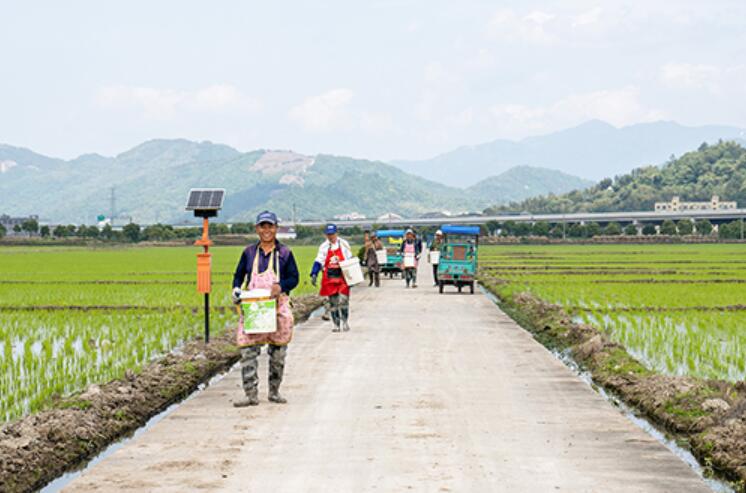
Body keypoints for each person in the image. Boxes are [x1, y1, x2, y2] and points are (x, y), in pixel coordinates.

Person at [231, 210, 299, 407]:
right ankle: (250, 394)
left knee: (278, 353)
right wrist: (236, 289)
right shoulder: (248, 253)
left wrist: (281, 286)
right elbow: (238, 276)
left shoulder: (285, 253)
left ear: (276, 228)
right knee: (248, 352)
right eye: (263, 226)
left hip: (277, 308)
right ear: (257, 229)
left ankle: (274, 391)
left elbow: (294, 278)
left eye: (270, 226)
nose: (267, 230)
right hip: (254, 308)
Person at [311, 224, 353, 332]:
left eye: (332, 234)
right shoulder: (323, 247)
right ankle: (336, 324)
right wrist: (314, 273)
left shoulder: (344, 244)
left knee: (344, 300)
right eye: (328, 234)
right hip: (329, 277)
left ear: (336, 233)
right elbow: (319, 261)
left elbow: (350, 259)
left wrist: (352, 276)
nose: (331, 236)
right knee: (333, 302)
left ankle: (345, 321)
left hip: (342, 276)